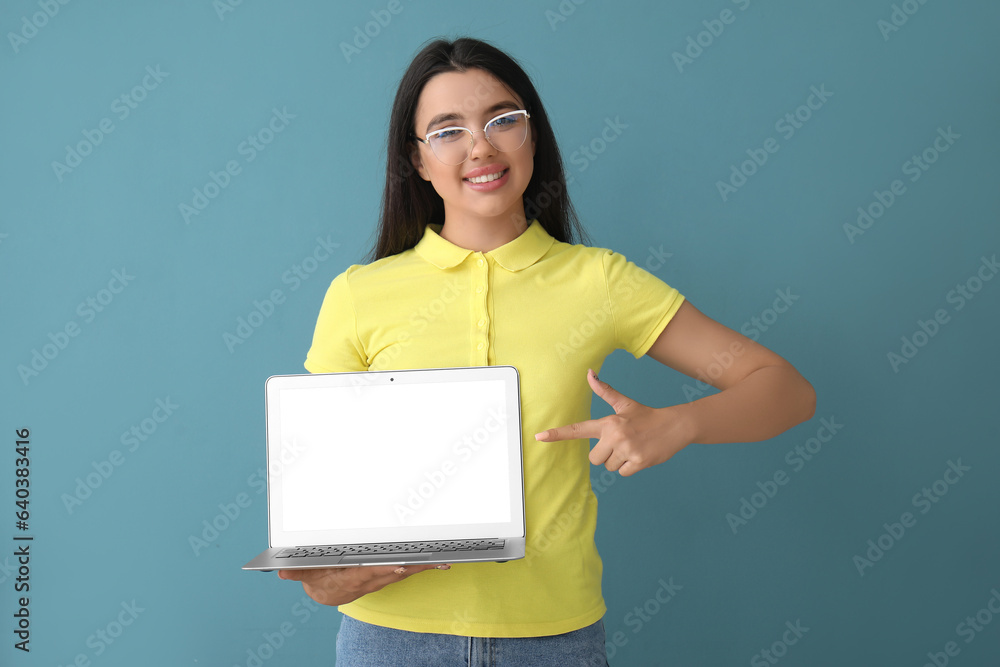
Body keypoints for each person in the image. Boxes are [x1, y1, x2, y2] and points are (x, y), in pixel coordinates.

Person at [279, 37, 816, 666]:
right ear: (417, 161)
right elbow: (321, 499)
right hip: (388, 639)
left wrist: (679, 423)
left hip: (553, 639)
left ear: (533, 136)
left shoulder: (600, 282)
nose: (481, 146)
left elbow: (786, 389)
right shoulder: (358, 295)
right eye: (447, 131)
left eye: (502, 120)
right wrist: (323, 575)